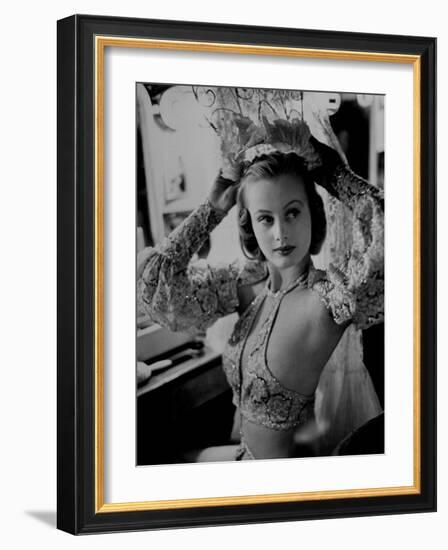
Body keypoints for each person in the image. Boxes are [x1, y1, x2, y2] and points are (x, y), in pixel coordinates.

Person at [137, 126, 384, 462]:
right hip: (242, 455)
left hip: (280, 482)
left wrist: (332, 173)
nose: (280, 233)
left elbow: (407, 234)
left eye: (293, 212)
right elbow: (155, 285)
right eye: (265, 219)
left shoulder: (327, 297)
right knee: (162, 455)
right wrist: (211, 208)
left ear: (314, 213)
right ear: (249, 224)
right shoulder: (247, 285)